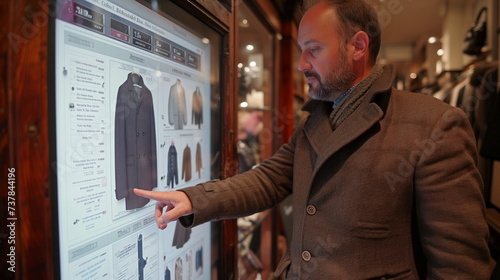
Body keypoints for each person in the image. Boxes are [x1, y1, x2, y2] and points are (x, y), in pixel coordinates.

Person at [134, 0, 493, 278]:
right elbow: (267, 179)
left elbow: (460, 265)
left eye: (313, 49)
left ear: (358, 46)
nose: (302, 63)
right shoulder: (318, 120)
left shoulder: (434, 124)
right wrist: (191, 198)